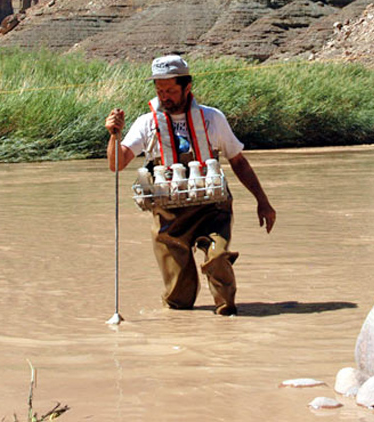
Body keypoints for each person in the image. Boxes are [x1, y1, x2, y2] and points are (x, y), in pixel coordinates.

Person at [105, 54, 276, 316]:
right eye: (160, 90)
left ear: (188, 87)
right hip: (168, 218)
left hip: (212, 209)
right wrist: (113, 136)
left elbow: (239, 162)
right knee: (179, 302)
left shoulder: (212, 119)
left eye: (171, 90)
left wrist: (263, 202)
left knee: (217, 258)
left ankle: (226, 317)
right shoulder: (147, 123)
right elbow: (117, 163)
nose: (165, 96)